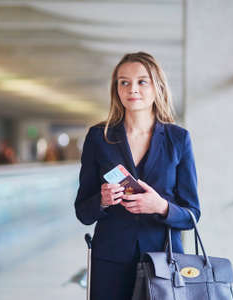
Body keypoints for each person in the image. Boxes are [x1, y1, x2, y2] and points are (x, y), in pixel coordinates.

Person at [74, 52, 200, 300]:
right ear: (116, 89)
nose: (132, 89)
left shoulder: (178, 139)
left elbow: (192, 215)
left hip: (163, 262)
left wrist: (161, 206)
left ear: (157, 87)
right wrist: (103, 200)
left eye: (142, 81)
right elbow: (83, 212)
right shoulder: (99, 138)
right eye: (124, 82)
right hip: (110, 262)